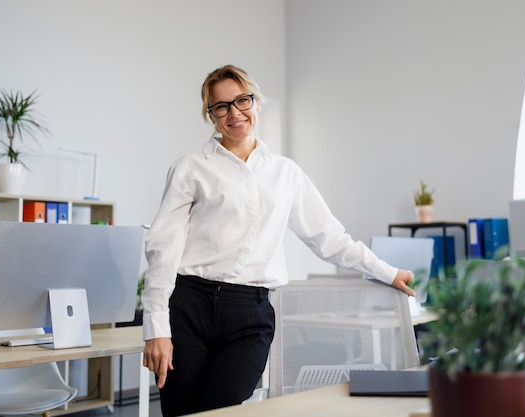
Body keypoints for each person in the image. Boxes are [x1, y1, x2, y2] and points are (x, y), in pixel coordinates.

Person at [142, 64, 415, 416]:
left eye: (242, 101)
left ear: (257, 103)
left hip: (250, 314)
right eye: (221, 106)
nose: (234, 113)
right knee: (180, 411)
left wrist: (387, 271)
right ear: (210, 115)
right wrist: (156, 328)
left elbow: (330, 239)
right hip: (189, 307)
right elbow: (163, 248)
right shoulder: (191, 167)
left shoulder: (286, 173)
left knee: (220, 410)